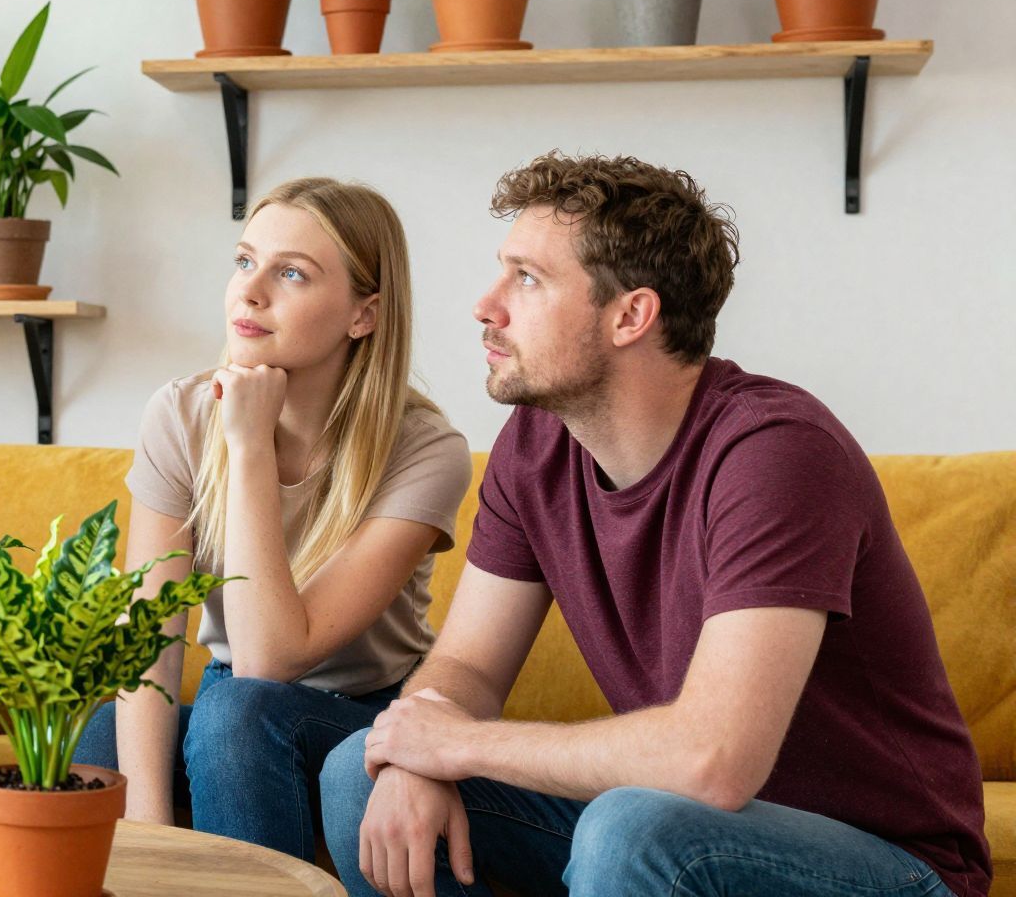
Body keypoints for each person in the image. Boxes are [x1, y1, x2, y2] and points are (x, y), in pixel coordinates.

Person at [321, 153, 991, 897]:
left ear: (630, 316)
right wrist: (419, 751)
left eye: (527, 279)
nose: (487, 305)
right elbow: (470, 667)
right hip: (684, 833)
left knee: (635, 828)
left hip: (892, 866)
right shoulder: (537, 443)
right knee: (364, 776)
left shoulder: (776, 454)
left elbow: (714, 760)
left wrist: (462, 742)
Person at [71, 177, 471, 860]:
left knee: (236, 711)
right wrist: (148, 828)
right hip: (235, 705)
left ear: (363, 315)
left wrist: (249, 445)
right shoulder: (179, 414)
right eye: (245, 262)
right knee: (103, 737)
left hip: (363, 719)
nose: (250, 292)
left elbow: (270, 659)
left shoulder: (426, 450)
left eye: (291, 273)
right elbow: (151, 637)